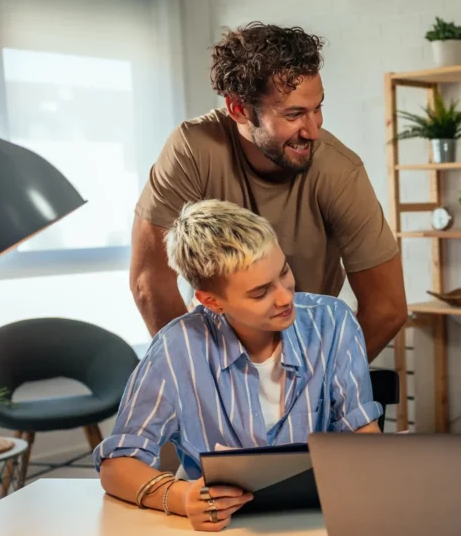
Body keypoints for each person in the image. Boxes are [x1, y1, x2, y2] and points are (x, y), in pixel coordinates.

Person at [95, 200, 381, 531]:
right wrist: (182, 497)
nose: (285, 297)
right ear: (212, 301)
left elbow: (362, 435)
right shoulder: (177, 349)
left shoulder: (332, 321)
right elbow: (117, 465)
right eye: (260, 292)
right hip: (221, 533)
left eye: (283, 272)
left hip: (321, 525)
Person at [131, 22, 405, 361]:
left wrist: (323, 383)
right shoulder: (193, 149)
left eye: (317, 108)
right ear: (239, 109)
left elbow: (387, 308)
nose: (313, 130)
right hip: (212, 348)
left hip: (307, 348)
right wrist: (196, 377)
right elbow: (149, 281)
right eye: (293, 114)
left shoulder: (339, 171)